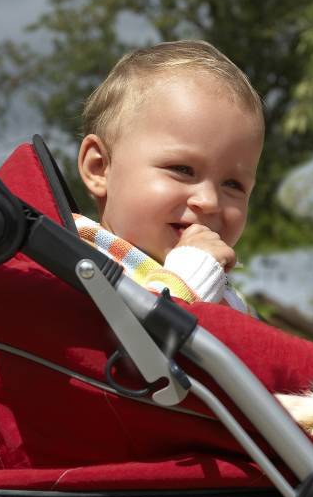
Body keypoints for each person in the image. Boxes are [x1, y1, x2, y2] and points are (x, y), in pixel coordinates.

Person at [76, 40, 264, 313]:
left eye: (233, 184)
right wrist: (189, 276)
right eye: (182, 169)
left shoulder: (224, 288)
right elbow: (118, 339)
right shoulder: (75, 263)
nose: (209, 201)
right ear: (99, 168)